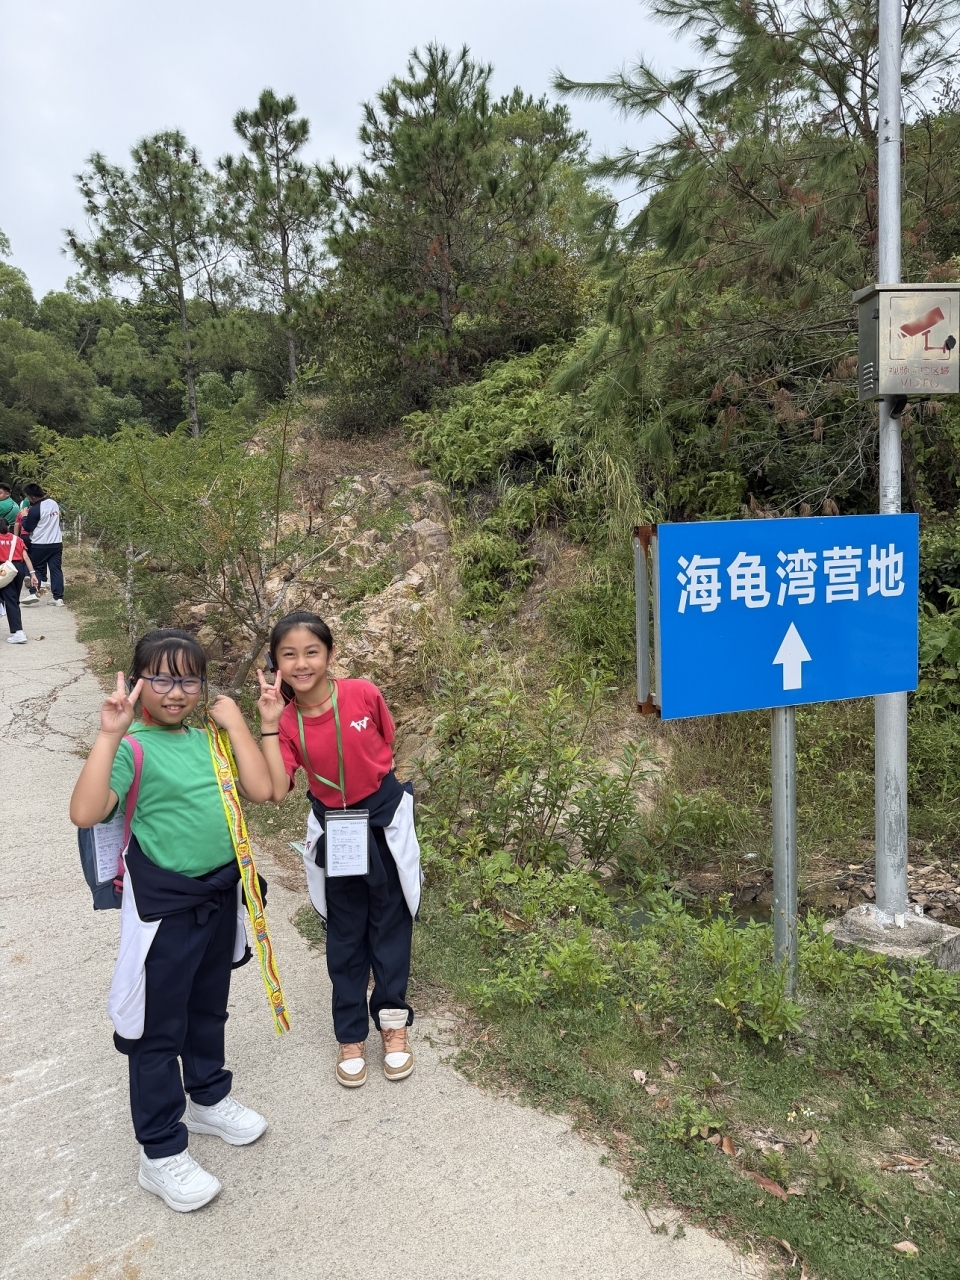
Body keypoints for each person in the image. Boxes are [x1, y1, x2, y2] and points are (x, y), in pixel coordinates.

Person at [69, 629, 275, 1213]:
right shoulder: (131, 748)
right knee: (157, 1029)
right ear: (137, 682)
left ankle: (207, 1096)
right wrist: (110, 733)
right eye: (160, 678)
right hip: (165, 907)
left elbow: (262, 790)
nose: (176, 691)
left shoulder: (209, 741)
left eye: (188, 679)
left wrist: (239, 724)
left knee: (208, 1006)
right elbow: (85, 812)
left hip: (220, 896)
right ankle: (159, 1151)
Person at [257, 612, 421, 1088]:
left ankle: (393, 1025)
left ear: (330, 654)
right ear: (276, 663)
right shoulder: (286, 722)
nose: (302, 663)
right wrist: (269, 725)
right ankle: (350, 1035)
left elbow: (386, 739)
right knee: (345, 936)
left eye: (312, 652)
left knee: (391, 926)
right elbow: (277, 789)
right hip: (337, 831)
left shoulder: (363, 693)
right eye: (289, 654)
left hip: (384, 821)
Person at [19, 483, 64, 606]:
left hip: (40, 543)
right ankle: (58, 598)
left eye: (28, 497)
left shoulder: (35, 509)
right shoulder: (54, 503)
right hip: (56, 542)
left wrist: (24, 516)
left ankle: (34, 593)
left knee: (38, 569)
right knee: (56, 570)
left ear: (33, 497)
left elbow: (28, 527)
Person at [0, 519, 39, 643]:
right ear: (8, 527)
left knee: (9, 600)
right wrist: (32, 574)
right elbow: (26, 557)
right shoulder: (17, 539)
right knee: (13, 600)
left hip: (3, 570)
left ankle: (18, 632)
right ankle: (17, 628)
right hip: (17, 569)